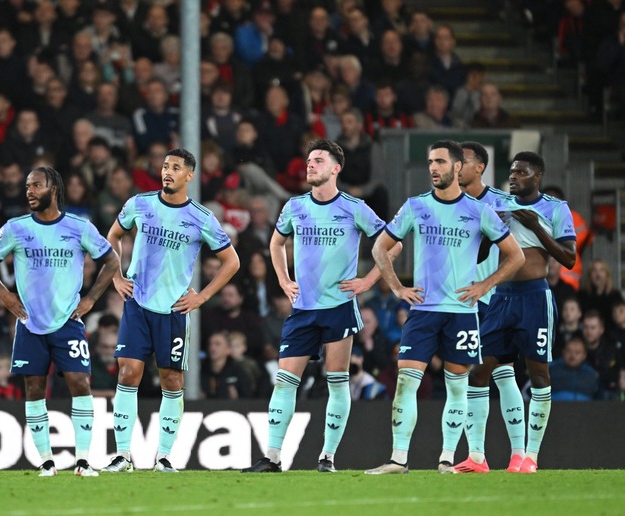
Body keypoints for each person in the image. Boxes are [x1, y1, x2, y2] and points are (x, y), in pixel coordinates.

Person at [365, 140, 524, 475]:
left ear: (456, 167)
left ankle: (447, 459)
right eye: (429, 162)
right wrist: (396, 287)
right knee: (406, 382)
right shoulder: (415, 206)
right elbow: (380, 248)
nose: (433, 168)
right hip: (423, 311)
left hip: (463, 312)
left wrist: (485, 285)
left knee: (457, 386)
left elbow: (516, 255)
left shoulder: (480, 211)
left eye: (439, 162)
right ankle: (398, 459)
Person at [242, 139, 392, 474]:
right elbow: (276, 242)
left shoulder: (354, 207)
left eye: (318, 160)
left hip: (338, 305)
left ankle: (327, 457)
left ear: (336, 168)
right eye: (309, 160)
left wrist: (368, 282)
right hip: (304, 308)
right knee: (284, 381)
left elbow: (390, 244)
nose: (310, 165)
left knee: (337, 380)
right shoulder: (294, 206)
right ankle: (272, 457)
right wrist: (283, 279)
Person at [103, 148, 239, 474]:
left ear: (189, 176)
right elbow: (113, 236)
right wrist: (117, 277)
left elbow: (231, 261)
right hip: (138, 304)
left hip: (174, 310)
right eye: (165, 166)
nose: (168, 171)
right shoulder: (140, 204)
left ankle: (163, 457)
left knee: (172, 379)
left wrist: (202, 297)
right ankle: (122, 455)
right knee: (127, 373)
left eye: (176, 168)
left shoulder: (201, 218)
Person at [0, 166, 120, 477]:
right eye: (28, 186)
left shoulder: (78, 227)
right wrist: (4, 295)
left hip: (68, 321)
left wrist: (91, 299)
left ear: (53, 189)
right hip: (30, 323)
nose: (29, 191)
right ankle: (46, 462)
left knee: (80, 383)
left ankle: (83, 461)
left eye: (36, 185)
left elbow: (111, 260)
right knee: (33, 388)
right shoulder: (15, 228)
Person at [454, 151, 576, 475]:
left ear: (536, 176)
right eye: (511, 171)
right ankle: (476, 457)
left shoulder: (555, 208)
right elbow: (480, 254)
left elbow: (569, 259)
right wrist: (493, 229)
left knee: (539, 375)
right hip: (502, 299)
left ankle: (530, 457)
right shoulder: (500, 207)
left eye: (520, 172)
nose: (513, 177)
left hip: (535, 297)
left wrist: (537, 227)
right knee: (478, 372)